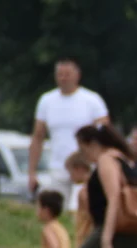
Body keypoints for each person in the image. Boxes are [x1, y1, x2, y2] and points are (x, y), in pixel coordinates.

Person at [73, 124, 137, 248]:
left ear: (94, 144)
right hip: (135, 227)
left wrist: (106, 239)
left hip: (115, 227)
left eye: (83, 149)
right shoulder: (124, 159)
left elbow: (114, 198)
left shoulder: (106, 159)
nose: (84, 155)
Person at [27, 58, 110, 204]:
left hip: (85, 167)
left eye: (67, 74)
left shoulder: (92, 100)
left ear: (77, 75)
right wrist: (32, 171)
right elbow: (38, 137)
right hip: (58, 167)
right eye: (60, 74)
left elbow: (105, 132)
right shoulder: (46, 101)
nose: (63, 78)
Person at [63, 151, 94, 247]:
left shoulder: (85, 192)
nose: (70, 176)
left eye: (70, 172)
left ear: (79, 169)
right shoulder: (96, 188)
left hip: (86, 239)